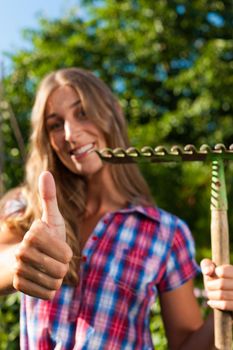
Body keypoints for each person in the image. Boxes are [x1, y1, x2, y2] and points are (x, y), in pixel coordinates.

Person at [0, 67, 232, 350]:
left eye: (82, 112)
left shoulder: (166, 232)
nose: (71, 134)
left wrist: (223, 310)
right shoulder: (27, 206)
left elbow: (185, 344)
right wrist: (19, 262)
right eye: (55, 124)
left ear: (111, 115)